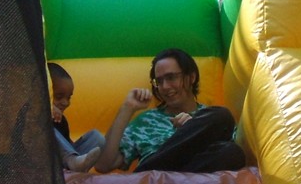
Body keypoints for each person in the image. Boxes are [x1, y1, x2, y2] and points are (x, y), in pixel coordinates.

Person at [93, 47, 245, 174]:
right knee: (222, 116)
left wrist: (191, 129)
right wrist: (127, 108)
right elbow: (103, 165)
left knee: (230, 146)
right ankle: (149, 172)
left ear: (191, 77)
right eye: (159, 81)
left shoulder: (209, 118)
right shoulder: (145, 121)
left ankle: (153, 172)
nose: (165, 86)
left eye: (171, 77)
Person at [48, 62, 104, 172]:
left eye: (68, 97)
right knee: (46, 127)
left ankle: (76, 164)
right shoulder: (31, 116)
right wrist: (46, 109)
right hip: (40, 162)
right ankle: (73, 162)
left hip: (63, 163)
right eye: (58, 97)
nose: (65, 102)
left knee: (96, 137)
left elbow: (66, 146)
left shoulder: (61, 121)